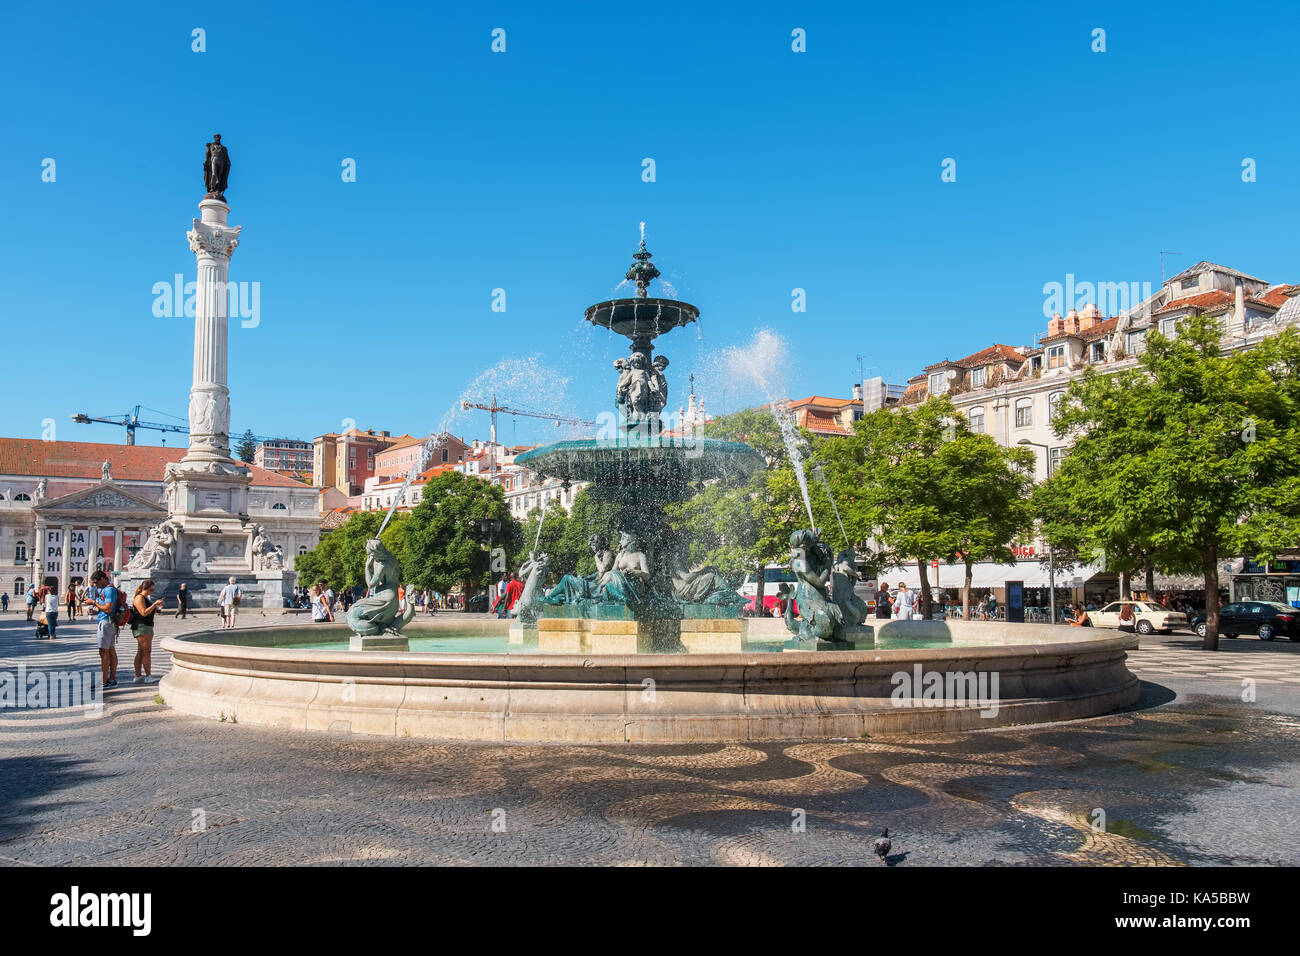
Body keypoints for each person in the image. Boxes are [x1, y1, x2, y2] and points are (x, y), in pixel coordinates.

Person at [83, 570, 120, 688]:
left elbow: (108, 609)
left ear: (102, 579)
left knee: (103, 652)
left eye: (96, 582)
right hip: (108, 622)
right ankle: (112, 679)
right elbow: (105, 607)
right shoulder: (107, 589)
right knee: (110, 651)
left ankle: (103, 681)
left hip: (106, 623)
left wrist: (93, 602)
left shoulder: (109, 590)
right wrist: (96, 610)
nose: (95, 585)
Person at [130, 580, 164, 683]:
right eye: (151, 589)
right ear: (146, 588)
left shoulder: (144, 598)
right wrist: (154, 605)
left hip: (145, 626)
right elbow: (143, 612)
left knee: (141, 652)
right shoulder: (139, 597)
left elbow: (147, 612)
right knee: (146, 652)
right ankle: (148, 676)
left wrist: (156, 609)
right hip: (142, 627)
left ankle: (137, 676)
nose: (153, 591)